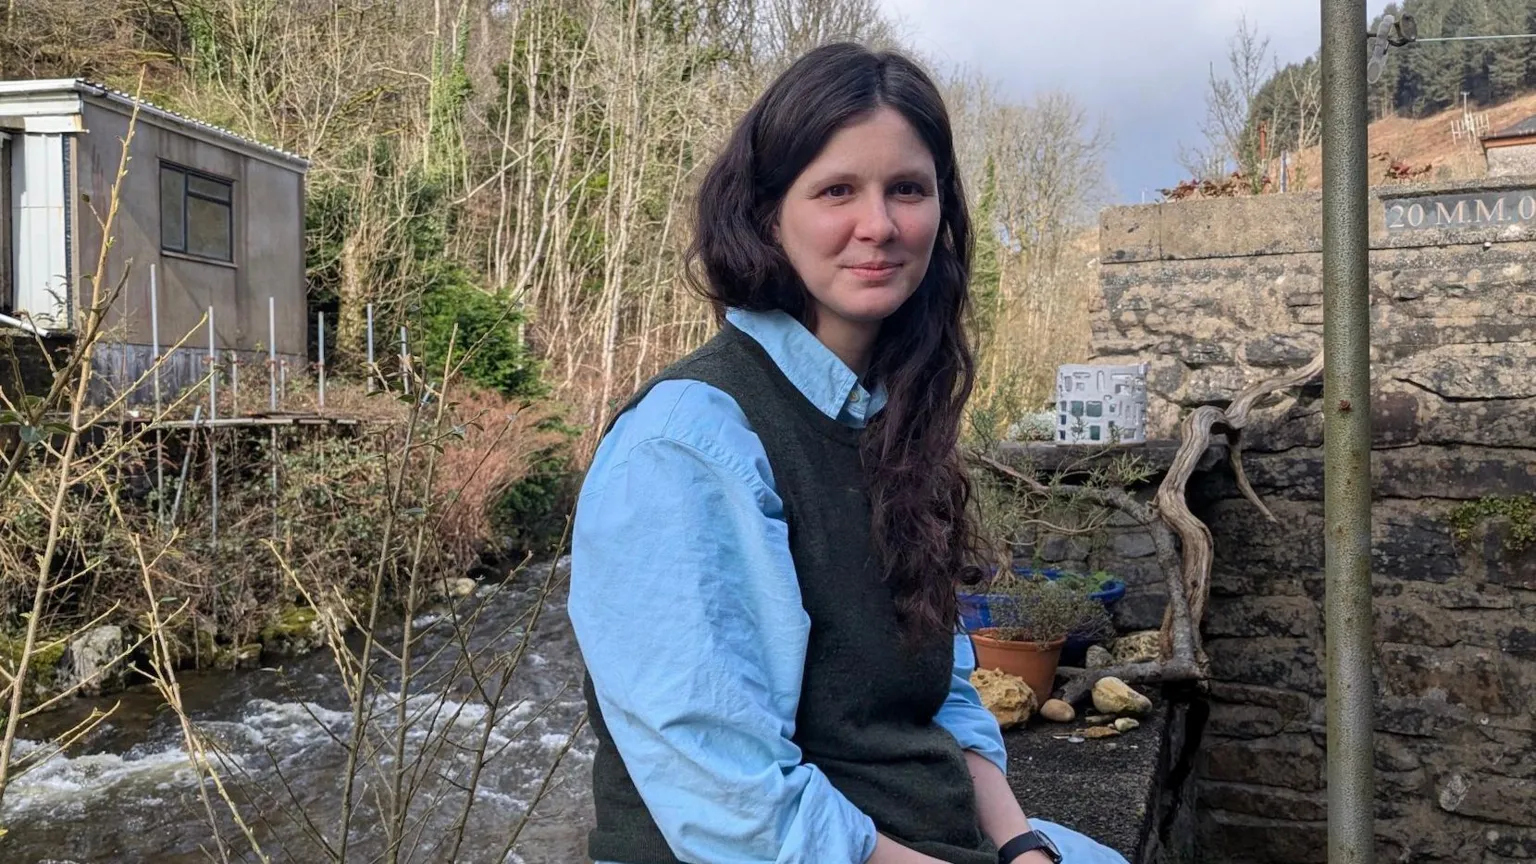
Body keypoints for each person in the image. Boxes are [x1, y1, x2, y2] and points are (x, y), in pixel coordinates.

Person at [568, 42, 1129, 864]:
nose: (880, 225)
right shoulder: (689, 443)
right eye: (837, 190)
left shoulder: (890, 424)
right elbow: (730, 801)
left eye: (908, 189)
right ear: (767, 215)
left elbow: (943, 697)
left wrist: (1024, 847)